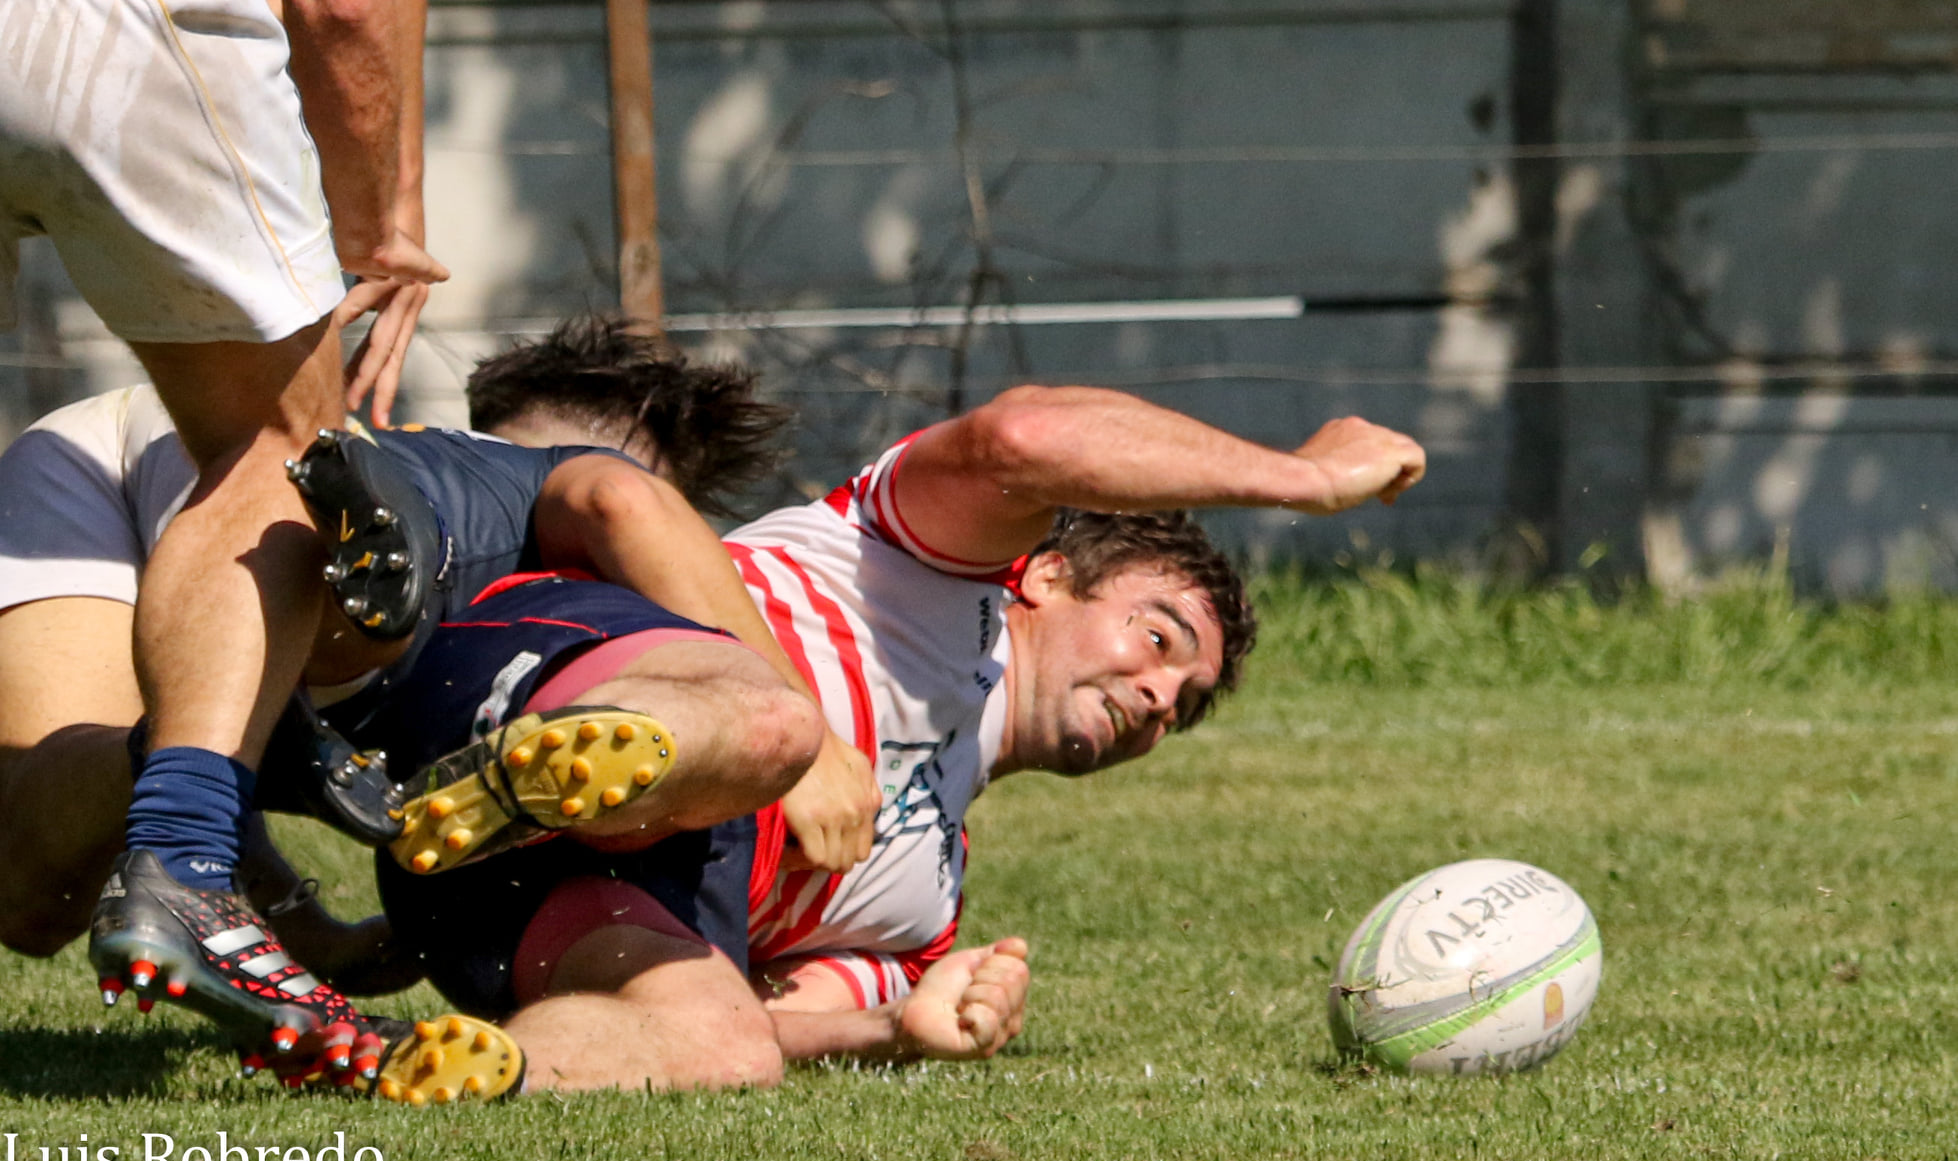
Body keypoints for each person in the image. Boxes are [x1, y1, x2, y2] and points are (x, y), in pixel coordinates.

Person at [333, 382, 1426, 1089]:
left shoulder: (925, 907)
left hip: (521, 910)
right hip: (540, 677)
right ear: (1045, 573)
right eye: (1156, 637)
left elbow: (783, 1021)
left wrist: (897, 1026)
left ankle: (465, 1068)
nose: (1156, 697)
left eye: (1181, 706)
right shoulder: (922, 570)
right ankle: (528, 776)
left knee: (722, 1047)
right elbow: (1026, 435)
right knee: (770, 726)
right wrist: (1304, 479)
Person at [0, 317, 819, 1099]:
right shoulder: (549, 487)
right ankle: (338, 618)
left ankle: (216, 737)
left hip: (94, 457)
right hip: (266, 477)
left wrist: (323, 941)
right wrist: (819, 742)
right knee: (369, 626)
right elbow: (619, 498)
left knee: (33, 897)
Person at [0, 0, 445, 1067]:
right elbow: (346, 8)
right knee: (289, 449)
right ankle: (190, 865)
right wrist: (379, 205)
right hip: (106, 37)